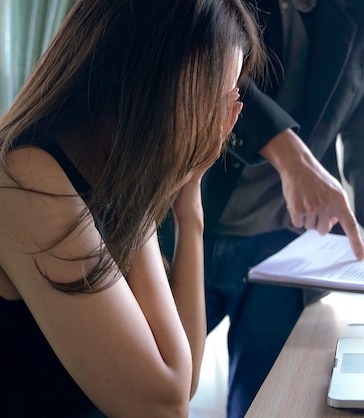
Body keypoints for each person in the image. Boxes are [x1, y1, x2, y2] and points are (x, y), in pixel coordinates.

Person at [0, 0, 262, 416]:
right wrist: (157, 176)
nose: (220, 123)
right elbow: (163, 405)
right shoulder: (25, 178)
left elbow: (185, 376)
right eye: (216, 95)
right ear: (154, 77)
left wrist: (188, 199)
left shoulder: (105, 178)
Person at [190, 1, 364, 416]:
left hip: (287, 246)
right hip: (183, 220)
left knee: (266, 407)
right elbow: (201, 54)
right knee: (132, 391)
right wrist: (290, 155)